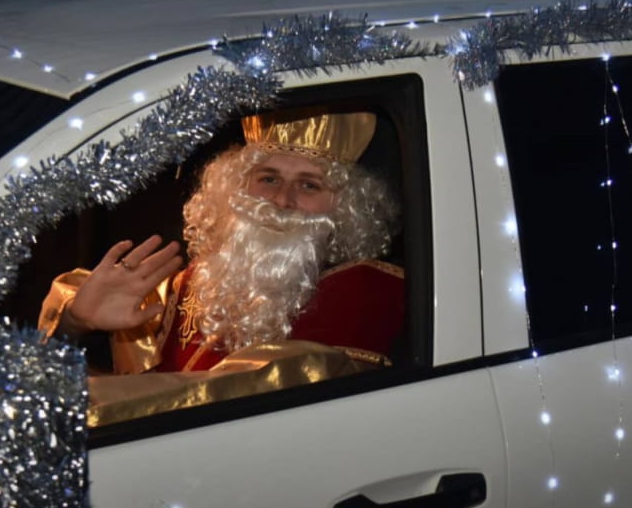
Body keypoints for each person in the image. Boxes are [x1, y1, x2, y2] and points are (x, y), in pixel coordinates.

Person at [39, 107, 404, 375]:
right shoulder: (193, 282)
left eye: (309, 185)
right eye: (268, 178)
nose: (281, 200)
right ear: (236, 188)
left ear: (346, 207)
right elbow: (114, 375)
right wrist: (75, 324)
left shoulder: (365, 290)